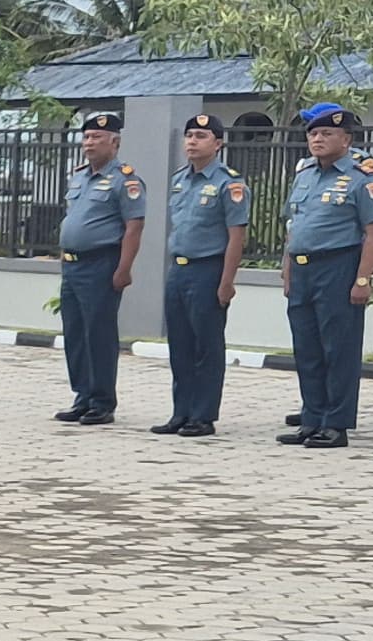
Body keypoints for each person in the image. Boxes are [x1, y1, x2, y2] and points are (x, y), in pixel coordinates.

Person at [277, 104, 373, 449]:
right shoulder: (305, 174)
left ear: (346, 139)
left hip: (339, 267)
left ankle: (336, 424)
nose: (318, 139)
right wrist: (287, 266)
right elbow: (295, 225)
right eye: (313, 133)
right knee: (306, 348)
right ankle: (312, 418)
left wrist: (363, 280)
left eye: (327, 133)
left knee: (338, 348)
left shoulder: (360, 177)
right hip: (303, 267)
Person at [153, 112, 245, 435]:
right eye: (189, 135)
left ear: (218, 143)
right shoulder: (180, 179)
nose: (192, 141)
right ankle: (181, 411)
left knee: (207, 346)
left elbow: (236, 236)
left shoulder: (228, 183)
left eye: (201, 136)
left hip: (208, 269)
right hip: (178, 269)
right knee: (180, 344)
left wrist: (226, 281)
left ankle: (203, 415)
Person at [50, 110, 144, 425]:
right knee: (75, 333)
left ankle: (102, 402)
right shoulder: (78, 176)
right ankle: (83, 397)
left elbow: (133, 227)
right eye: (86, 137)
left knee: (98, 334)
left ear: (114, 142)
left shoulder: (125, 179)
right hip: (73, 265)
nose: (89, 143)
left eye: (97, 138)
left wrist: (124, 268)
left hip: (102, 264)